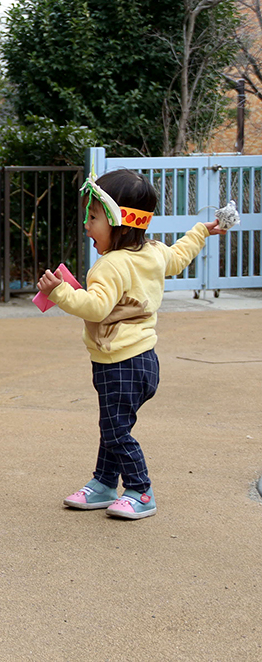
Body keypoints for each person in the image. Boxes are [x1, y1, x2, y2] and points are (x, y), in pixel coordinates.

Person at [37, 169, 227, 520]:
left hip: (119, 363)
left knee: (116, 429)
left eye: (93, 217)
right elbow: (180, 255)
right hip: (143, 362)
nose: (86, 225)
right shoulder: (153, 253)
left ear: (117, 222)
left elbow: (95, 306)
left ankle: (140, 490)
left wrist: (58, 291)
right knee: (113, 424)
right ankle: (104, 484)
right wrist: (202, 230)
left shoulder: (110, 266)